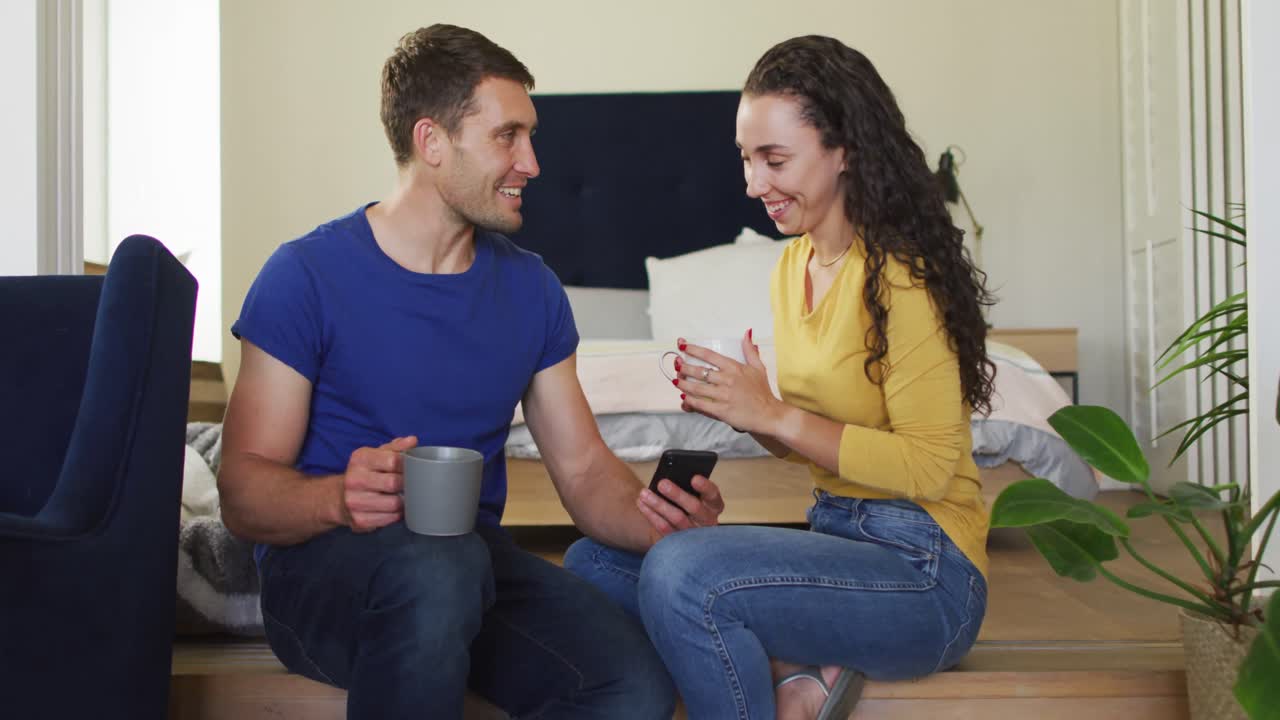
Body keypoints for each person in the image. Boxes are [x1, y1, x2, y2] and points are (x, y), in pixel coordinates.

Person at [217, 24, 725, 719]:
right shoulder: (303, 276)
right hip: (325, 571)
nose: (533, 162)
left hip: (470, 567)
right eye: (507, 136)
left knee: (629, 683)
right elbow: (242, 490)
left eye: (530, 136)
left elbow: (582, 470)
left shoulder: (532, 291)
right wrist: (336, 497)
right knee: (439, 570)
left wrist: (657, 520)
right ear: (432, 142)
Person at [564, 35, 996, 720]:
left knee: (683, 575)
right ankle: (791, 666)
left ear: (843, 150)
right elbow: (808, 440)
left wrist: (773, 414)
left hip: (924, 572)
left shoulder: (900, 278)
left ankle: (776, 665)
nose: (752, 184)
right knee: (597, 563)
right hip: (836, 538)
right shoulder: (792, 267)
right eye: (745, 159)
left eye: (774, 159)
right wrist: (752, 412)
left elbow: (931, 466)